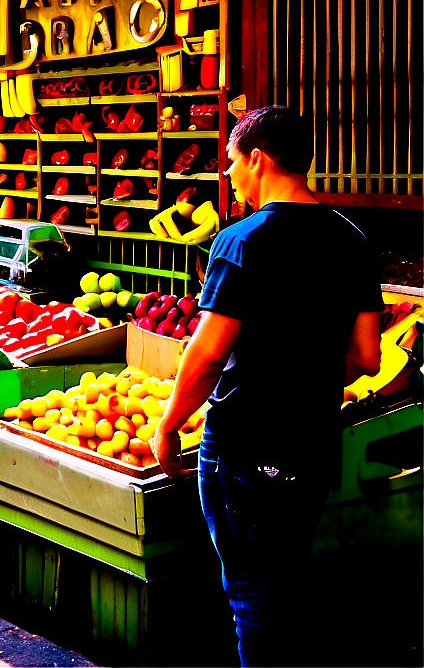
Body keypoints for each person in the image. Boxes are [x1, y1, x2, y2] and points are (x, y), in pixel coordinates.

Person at [151, 105, 382, 668]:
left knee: (253, 592)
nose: (230, 176)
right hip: (312, 442)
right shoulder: (351, 240)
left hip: (244, 443)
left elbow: (206, 357)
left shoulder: (241, 242)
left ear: (257, 159)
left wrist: (167, 427)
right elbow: (367, 356)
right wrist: (304, 379)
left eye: (232, 163)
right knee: (286, 580)